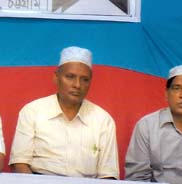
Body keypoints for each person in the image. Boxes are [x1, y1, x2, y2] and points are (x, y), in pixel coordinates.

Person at [9, 46, 119, 179]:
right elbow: (19, 163)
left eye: (84, 79)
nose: (77, 85)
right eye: (70, 77)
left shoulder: (103, 120)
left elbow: (108, 174)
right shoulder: (33, 111)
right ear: (56, 77)